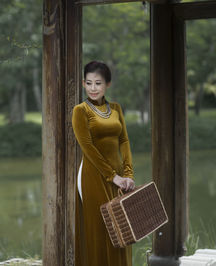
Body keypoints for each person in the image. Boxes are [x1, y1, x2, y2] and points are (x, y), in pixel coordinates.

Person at [72, 61, 135, 266]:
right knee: (101, 229)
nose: (92, 88)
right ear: (83, 83)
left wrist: (128, 174)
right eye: (88, 83)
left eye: (97, 83)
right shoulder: (80, 111)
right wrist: (112, 176)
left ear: (107, 84)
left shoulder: (116, 108)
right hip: (93, 175)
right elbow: (87, 147)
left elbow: (124, 141)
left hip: (118, 176)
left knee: (122, 229)